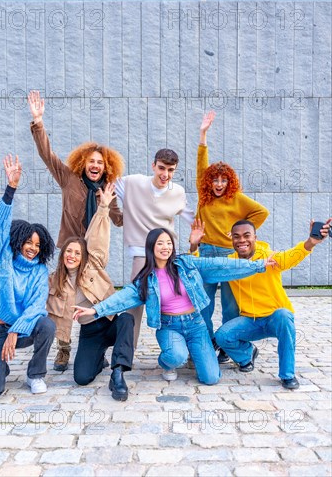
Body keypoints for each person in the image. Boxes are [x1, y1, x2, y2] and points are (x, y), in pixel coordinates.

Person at [73, 224, 275, 385]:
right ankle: (167, 363)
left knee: (211, 378)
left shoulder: (186, 264)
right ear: (151, 247)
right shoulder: (146, 278)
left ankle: (192, 353)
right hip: (169, 326)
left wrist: (258, 265)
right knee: (176, 356)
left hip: (196, 325)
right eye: (160, 243)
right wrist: (95, 310)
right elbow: (123, 297)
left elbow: (221, 265)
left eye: (168, 243)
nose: (165, 247)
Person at [28, 90, 124, 371]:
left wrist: (112, 204)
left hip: (92, 254)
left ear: (106, 167)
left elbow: (118, 220)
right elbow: (47, 154)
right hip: (70, 249)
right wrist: (38, 123)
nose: (95, 165)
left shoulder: (107, 190)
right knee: (64, 297)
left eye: (100, 162)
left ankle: (96, 342)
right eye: (92, 161)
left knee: (95, 296)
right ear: (84, 163)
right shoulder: (68, 178)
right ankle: (63, 347)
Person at [215, 218, 332, 389]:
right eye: (236, 236)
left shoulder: (269, 257)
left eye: (247, 235)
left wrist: (310, 243)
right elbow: (205, 267)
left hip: (275, 318)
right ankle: (247, 355)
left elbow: (290, 257)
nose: (242, 240)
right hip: (250, 321)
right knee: (222, 335)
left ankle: (287, 375)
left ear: (255, 237)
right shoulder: (231, 263)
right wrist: (194, 246)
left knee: (284, 315)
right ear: (231, 239)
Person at [0, 155, 56, 401]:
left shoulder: (39, 271)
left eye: (37, 244)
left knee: (47, 325)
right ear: (17, 242)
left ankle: (35, 374)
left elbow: (35, 306)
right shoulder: (2, 259)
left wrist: (15, 331)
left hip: (19, 331)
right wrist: (11, 188)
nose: (32, 248)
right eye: (27, 242)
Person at [48, 183, 134, 401]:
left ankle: (118, 373)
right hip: (90, 331)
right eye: (69, 251)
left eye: (77, 252)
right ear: (63, 255)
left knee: (127, 320)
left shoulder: (93, 263)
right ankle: (98, 358)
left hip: (110, 321)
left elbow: (97, 235)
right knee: (82, 377)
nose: (72, 256)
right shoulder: (55, 281)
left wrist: (104, 207)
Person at [194, 111, 269, 362]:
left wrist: (238, 230)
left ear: (229, 182)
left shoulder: (235, 199)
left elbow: (261, 211)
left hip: (229, 255)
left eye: (223, 180)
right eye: (214, 180)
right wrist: (203, 134)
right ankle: (204, 346)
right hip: (205, 254)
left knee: (230, 306)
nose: (218, 184)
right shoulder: (203, 195)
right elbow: (201, 162)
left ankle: (228, 345)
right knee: (203, 305)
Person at [115, 148, 195, 347]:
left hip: (167, 254)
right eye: (161, 168)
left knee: (177, 300)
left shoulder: (177, 192)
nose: (165, 174)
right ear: (153, 165)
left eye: (170, 170)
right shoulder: (132, 183)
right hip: (141, 252)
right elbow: (104, 182)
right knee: (134, 302)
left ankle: (181, 349)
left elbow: (194, 220)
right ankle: (127, 351)